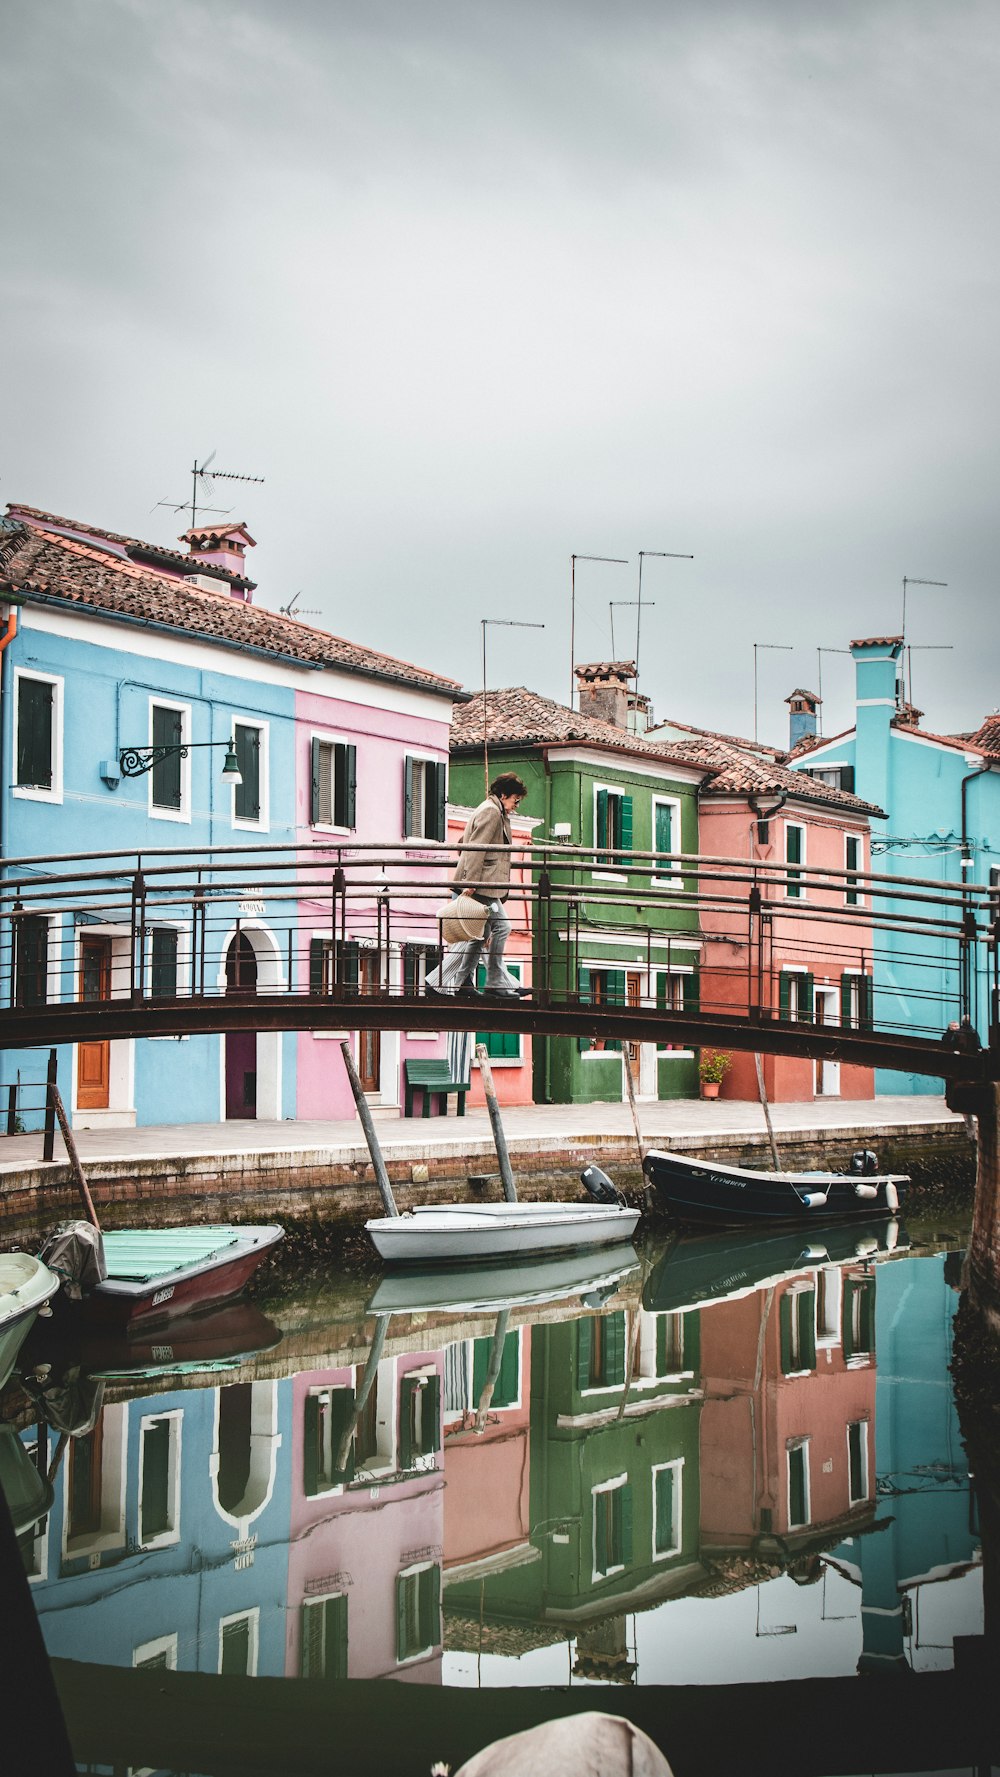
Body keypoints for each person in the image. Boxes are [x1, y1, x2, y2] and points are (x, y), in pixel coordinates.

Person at [426, 772, 528, 997]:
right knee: (503, 928)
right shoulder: (491, 812)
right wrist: (469, 881)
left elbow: (471, 843)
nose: (516, 806)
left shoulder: (492, 810)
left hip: (484, 883)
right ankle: (493, 983)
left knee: (481, 935)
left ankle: (462, 983)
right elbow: (476, 847)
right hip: (482, 884)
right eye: (515, 800)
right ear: (503, 795)